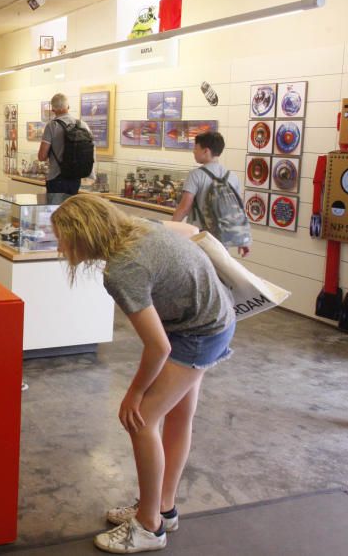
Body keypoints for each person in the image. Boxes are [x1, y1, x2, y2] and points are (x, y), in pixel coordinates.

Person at [51, 194, 236, 553]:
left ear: (83, 235)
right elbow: (190, 230)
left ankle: (150, 526)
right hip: (211, 320)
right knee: (178, 416)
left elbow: (159, 348)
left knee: (140, 420)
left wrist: (134, 393)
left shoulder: (121, 270)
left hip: (197, 334)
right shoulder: (140, 227)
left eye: (61, 237)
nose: (59, 246)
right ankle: (163, 509)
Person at [172, 131, 250, 257]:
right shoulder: (232, 176)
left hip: (199, 238)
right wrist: (243, 240)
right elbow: (239, 210)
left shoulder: (195, 175)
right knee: (217, 272)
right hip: (222, 238)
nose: (193, 151)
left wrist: (170, 228)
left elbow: (184, 208)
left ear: (206, 151)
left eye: (196, 148)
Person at [38, 93, 92, 195]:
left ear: (53, 109)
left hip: (56, 177)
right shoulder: (82, 124)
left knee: (56, 210)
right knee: (70, 209)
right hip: (75, 178)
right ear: (68, 106)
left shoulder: (52, 126)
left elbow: (42, 156)